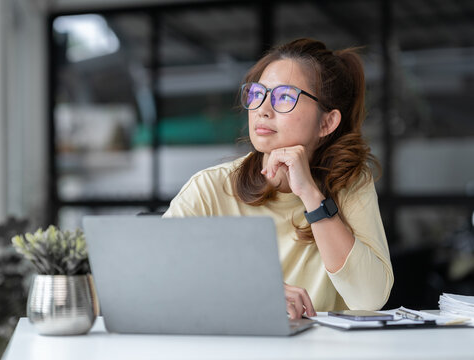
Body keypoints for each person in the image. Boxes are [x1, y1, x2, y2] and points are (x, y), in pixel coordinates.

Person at [163, 38, 393, 319]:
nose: (262, 109)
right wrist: (254, 292)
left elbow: (369, 298)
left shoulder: (350, 184)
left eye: (284, 96)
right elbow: (156, 281)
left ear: (327, 123)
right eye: (257, 93)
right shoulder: (210, 188)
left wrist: (311, 196)